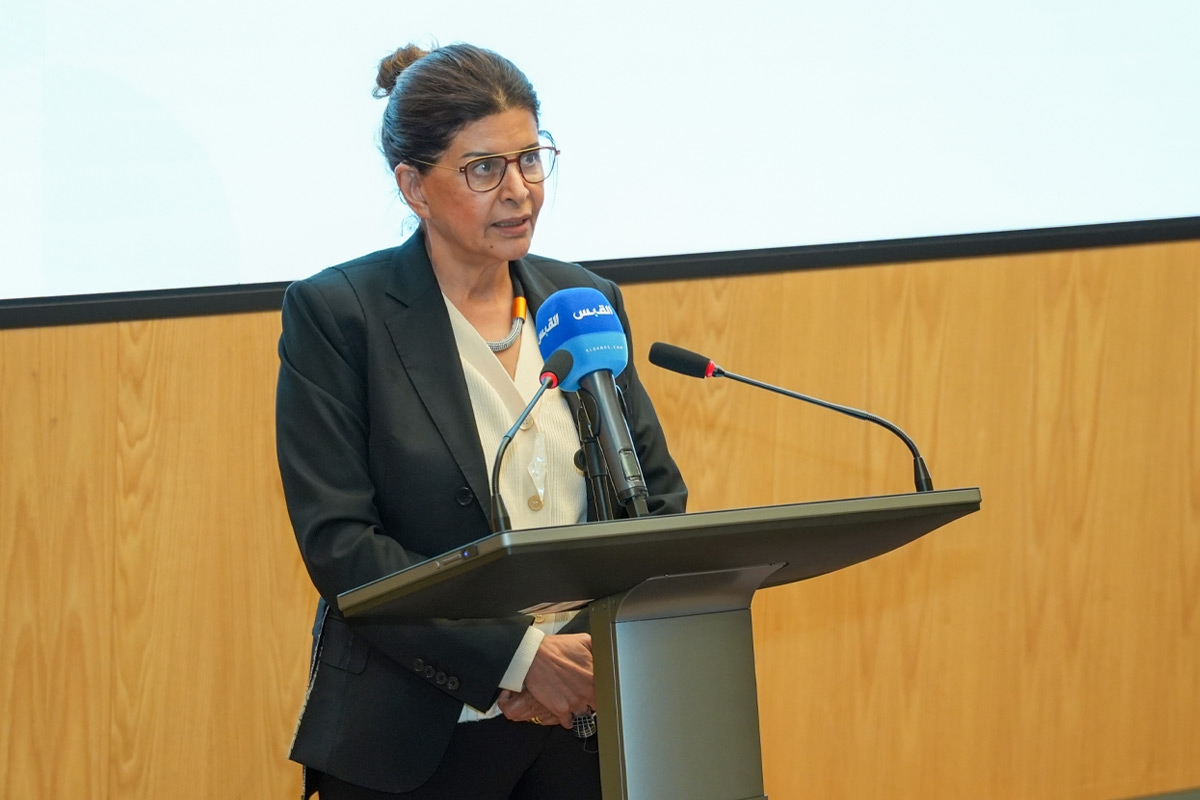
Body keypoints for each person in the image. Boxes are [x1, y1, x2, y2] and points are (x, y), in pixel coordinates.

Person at [275, 42, 687, 799]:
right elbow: (343, 544)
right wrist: (516, 659)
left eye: (531, 159)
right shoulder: (339, 314)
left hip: (587, 721)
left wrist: (577, 658)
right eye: (484, 168)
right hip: (416, 736)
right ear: (414, 186)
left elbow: (654, 500)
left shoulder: (582, 301)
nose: (519, 191)